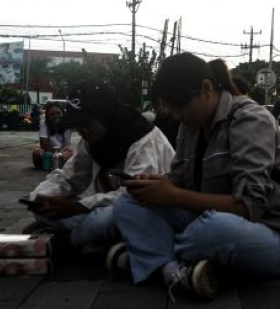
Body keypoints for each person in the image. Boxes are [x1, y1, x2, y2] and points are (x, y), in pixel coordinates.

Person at [111, 53, 280, 300]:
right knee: (127, 204)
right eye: (170, 108)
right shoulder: (190, 124)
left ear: (206, 89)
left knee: (214, 228)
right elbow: (178, 180)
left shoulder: (250, 118)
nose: (176, 115)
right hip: (203, 219)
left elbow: (249, 205)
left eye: (180, 107)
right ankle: (171, 269)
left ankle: (149, 255)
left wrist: (172, 195)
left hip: (269, 233)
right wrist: (157, 184)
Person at [27, 81, 175, 248]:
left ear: (105, 116)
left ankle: (70, 240)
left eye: (85, 124)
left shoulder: (142, 138)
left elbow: (133, 196)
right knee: (48, 212)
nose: (81, 131)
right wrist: (41, 197)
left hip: (148, 209)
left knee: (104, 220)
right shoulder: (92, 139)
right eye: (78, 126)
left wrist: (78, 207)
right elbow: (69, 176)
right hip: (108, 207)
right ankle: (85, 238)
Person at [31, 102, 74, 170]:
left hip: (63, 151)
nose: (55, 116)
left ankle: (53, 164)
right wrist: (55, 154)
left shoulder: (67, 124)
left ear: (62, 113)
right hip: (49, 152)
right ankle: (55, 163)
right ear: (47, 117)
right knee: (36, 153)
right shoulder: (44, 123)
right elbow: (44, 144)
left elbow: (66, 144)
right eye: (51, 115)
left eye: (58, 113)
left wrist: (62, 154)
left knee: (71, 153)